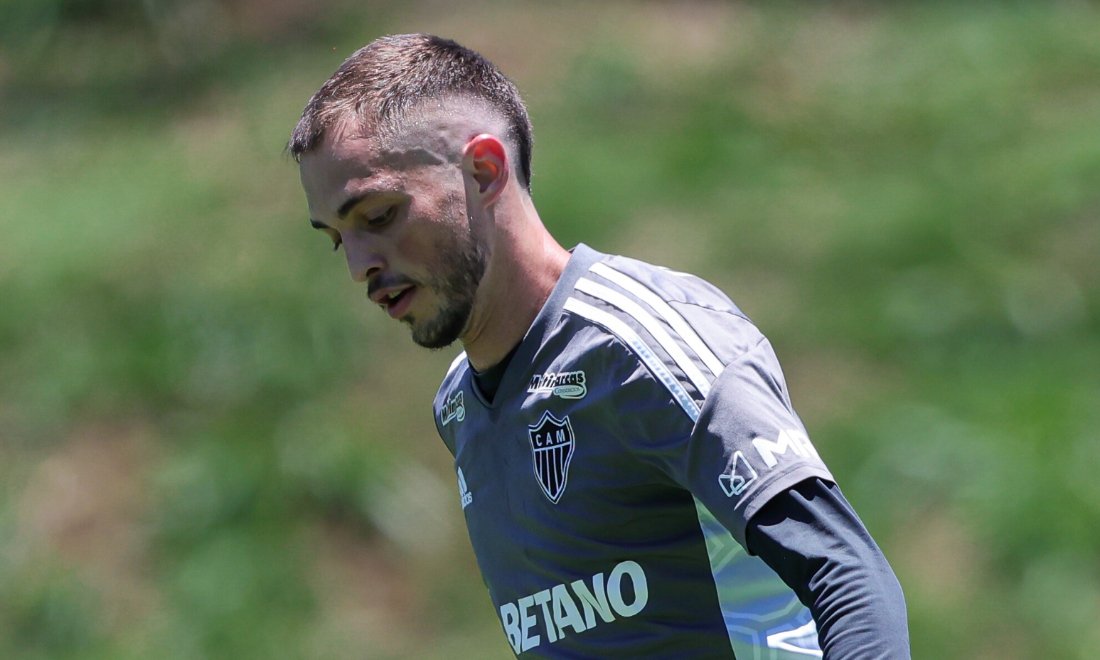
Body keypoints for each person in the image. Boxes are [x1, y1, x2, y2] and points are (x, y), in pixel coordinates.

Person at [290, 33, 910, 658]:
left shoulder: (642, 348)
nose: (359, 266)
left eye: (377, 217)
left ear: (483, 171)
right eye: (338, 239)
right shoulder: (459, 407)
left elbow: (850, 578)